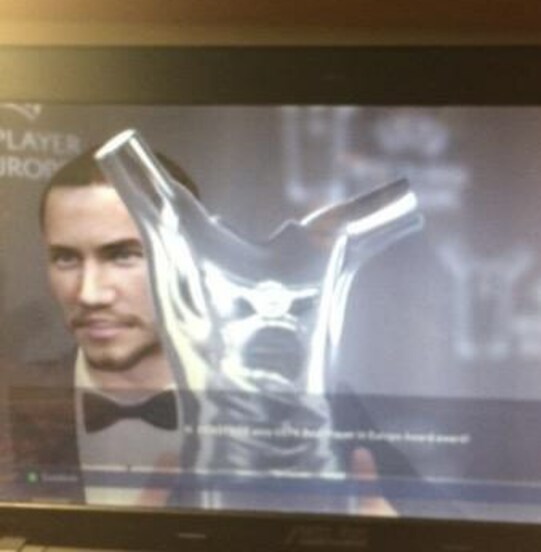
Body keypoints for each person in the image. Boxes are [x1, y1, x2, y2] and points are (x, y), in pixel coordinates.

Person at [9, 146, 412, 513]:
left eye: (123, 255)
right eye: (65, 259)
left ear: (188, 260)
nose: (89, 293)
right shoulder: (10, 403)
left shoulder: (316, 405)